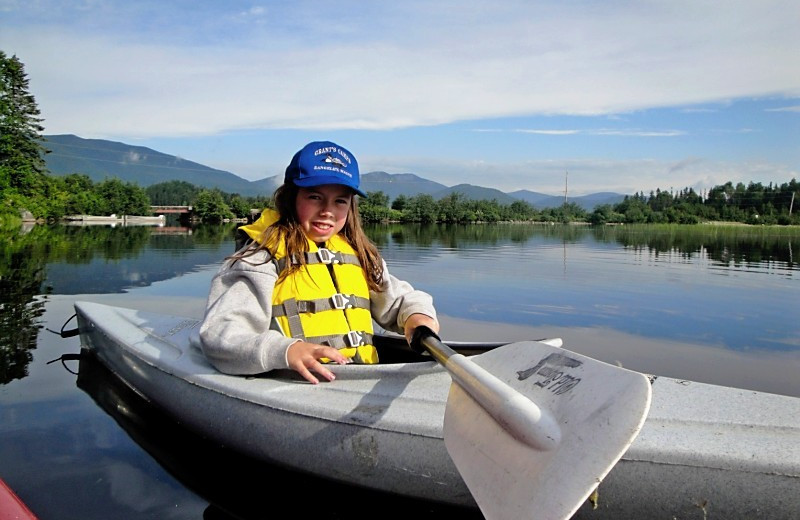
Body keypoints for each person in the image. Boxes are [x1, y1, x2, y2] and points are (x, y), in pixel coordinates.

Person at [198, 141, 439, 384]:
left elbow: (398, 301)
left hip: (360, 378)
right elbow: (222, 335)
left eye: (340, 201)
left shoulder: (358, 254)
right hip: (300, 383)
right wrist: (287, 350)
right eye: (315, 197)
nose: (327, 210)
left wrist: (418, 317)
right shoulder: (261, 257)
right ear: (291, 197)